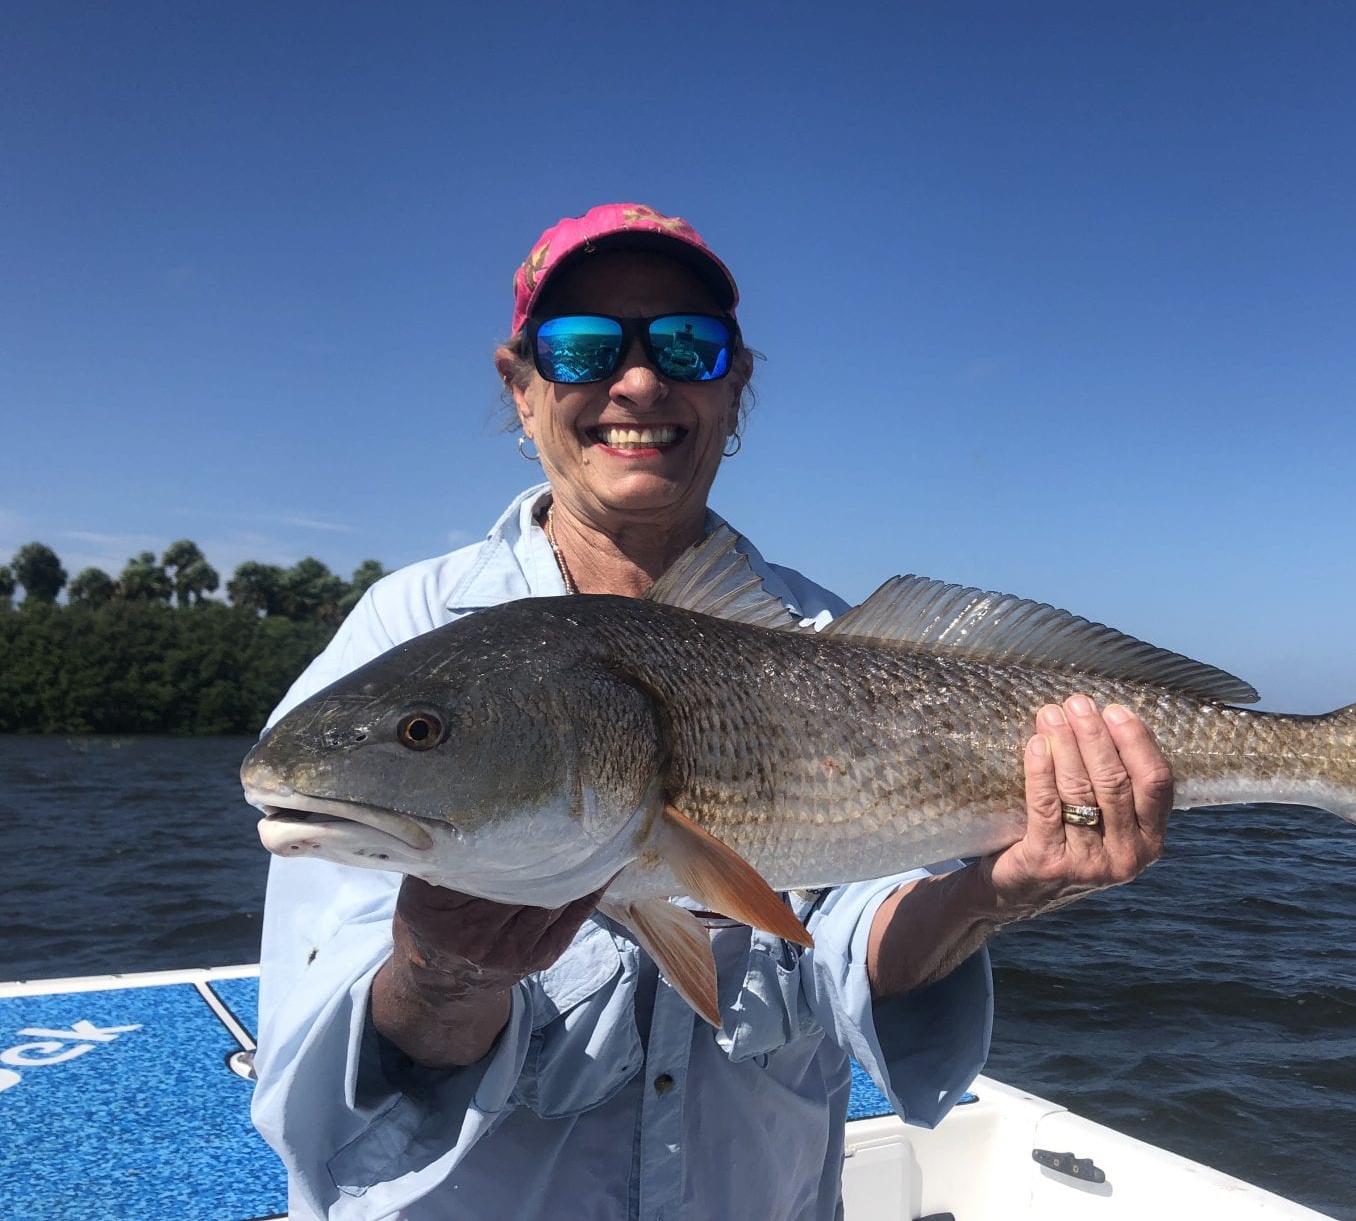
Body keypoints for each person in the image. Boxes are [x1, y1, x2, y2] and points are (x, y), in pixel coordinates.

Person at [250, 203, 1177, 1220]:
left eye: (688, 345)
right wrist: (442, 974)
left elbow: (845, 939)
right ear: (521, 389)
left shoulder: (830, 643)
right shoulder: (408, 632)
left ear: (734, 390)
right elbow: (326, 1106)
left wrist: (990, 896)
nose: (639, 382)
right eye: (583, 346)